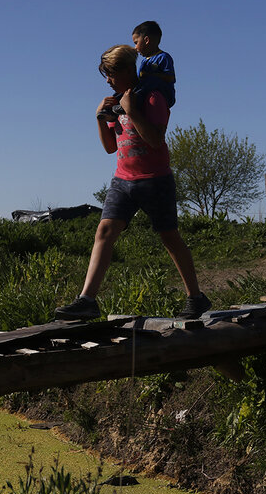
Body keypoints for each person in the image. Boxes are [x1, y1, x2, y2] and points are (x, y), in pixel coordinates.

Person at [54, 44, 210, 321]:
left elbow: (155, 139)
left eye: (111, 73)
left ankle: (196, 298)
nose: (107, 79)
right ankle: (87, 300)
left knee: (170, 238)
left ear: (128, 70)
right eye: (105, 74)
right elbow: (110, 148)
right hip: (122, 180)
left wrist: (131, 111)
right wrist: (100, 119)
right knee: (104, 232)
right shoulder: (117, 101)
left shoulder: (152, 97)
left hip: (156, 180)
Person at [103, 20, 176, 119]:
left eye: (136, 43)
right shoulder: (144, 61)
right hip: (143, 89)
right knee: (125, 90)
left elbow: (170, 78)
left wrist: (151, 76)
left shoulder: (163, 57)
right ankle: (110, 109)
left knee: (146, 84)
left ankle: (128, 105)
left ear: (146, 40)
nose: (135, 47)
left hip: (161, 92)